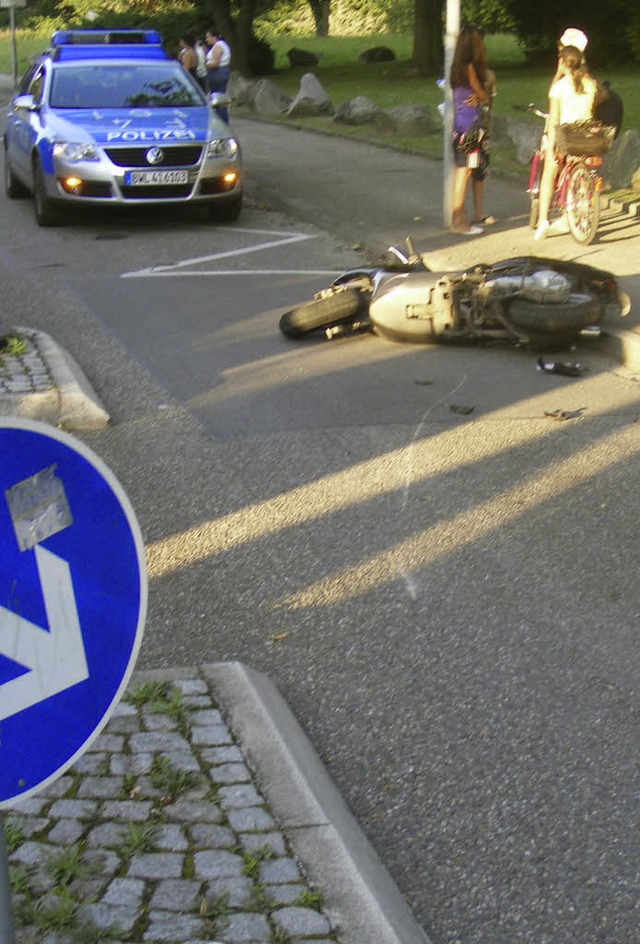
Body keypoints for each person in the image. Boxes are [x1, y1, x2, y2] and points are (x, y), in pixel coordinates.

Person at [534, 44, 598, 240]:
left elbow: (554, 119)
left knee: (549, 172)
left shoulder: (559, 87)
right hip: (588, 136)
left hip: (567, 136)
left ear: (562, 63)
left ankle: (543, 220)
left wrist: (552, 145)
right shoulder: (591, 83)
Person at [449, 25, 492, 236]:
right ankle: (459, 220)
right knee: (465, 171)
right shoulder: (470, 69)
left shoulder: (456, 68)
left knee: (462, 170)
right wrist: (482, 95)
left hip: (459, 126)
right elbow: (483, 96)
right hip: (471, 129)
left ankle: (459, 218)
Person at [205, 28, 232, 121]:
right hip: (222, 72)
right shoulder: (223, 45)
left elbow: (216, 62)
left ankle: (221, 119)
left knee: (217, 97)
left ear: (214, 37)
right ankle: (221, 118)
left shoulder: (217, 46)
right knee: (220, 96)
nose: (206, 39)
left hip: (217, 73)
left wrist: (207, 65)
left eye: (208, 37)